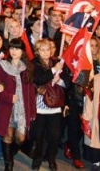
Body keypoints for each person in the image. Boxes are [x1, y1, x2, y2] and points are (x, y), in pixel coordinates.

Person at [0, 38, 36, 171]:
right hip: (7, 106)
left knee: (21, 138)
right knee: (8, 135)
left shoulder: (27, 68)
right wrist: (8, 96)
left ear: (22, 51)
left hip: (22, 109)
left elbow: (30, 92)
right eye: (11, 48)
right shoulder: (2, 65)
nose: (14, 51)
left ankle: (10, 153)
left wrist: (32, 111)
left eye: (17, 48)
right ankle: (8, 164)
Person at [31, 39, 68, 171]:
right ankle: (37, 158)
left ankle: (51, 158)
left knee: (54, 135)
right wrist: (53, 70)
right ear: (37, 51)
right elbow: (38, 79)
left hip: (55, 105)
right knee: (38, 135)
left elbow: (67, 83)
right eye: (42, 50)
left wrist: (59, 81)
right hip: (40, 105)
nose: (46, 52)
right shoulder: (34, 63)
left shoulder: (58, 62)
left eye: (48, 49)